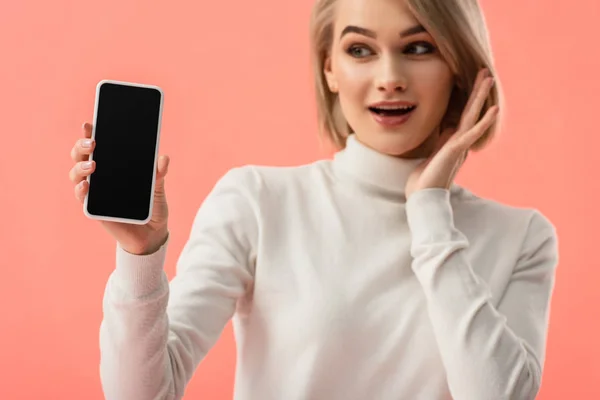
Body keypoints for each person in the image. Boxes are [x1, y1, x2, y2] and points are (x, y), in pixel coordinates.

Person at [68, 0, 559, 399]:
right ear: (330, 69)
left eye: (418, 46)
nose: (389, 77)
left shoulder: (523, 238)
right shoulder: (258, 202)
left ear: (458, 64)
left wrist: (430, 209)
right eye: (361, 50)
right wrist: (141, 257)